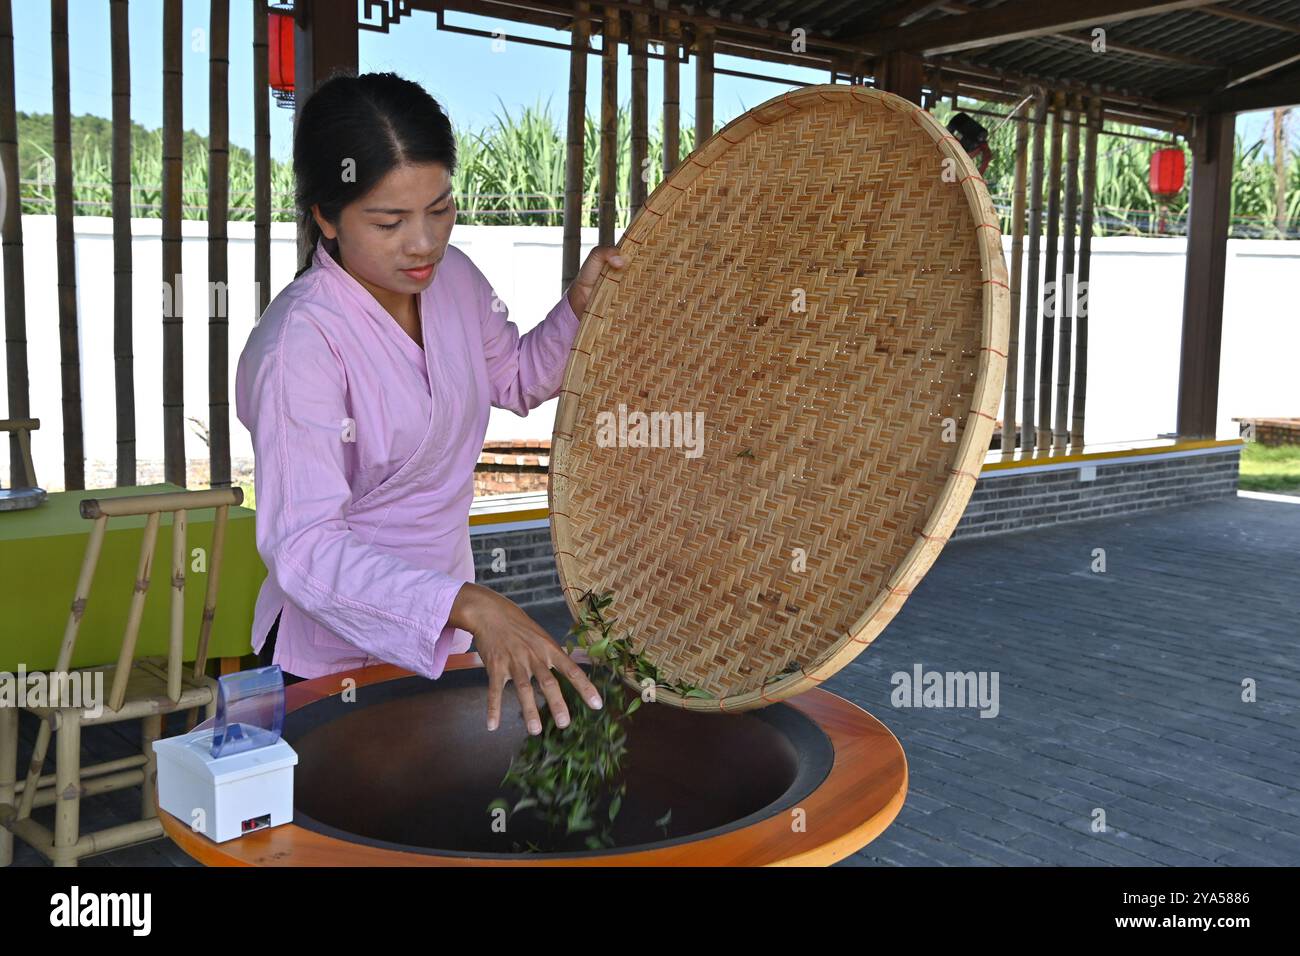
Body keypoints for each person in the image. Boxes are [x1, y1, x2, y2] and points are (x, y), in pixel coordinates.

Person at [234, 71, 625, 736]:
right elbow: (303, 546)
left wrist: (579, 310)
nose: (424, 243)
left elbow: (519, 378)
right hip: (331, 657)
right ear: (325, 216)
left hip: (443, 632)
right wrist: (466, 604)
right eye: (389, 221)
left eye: (440, 209)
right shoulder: (299, 343)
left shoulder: (455, 282)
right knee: (355, 826)